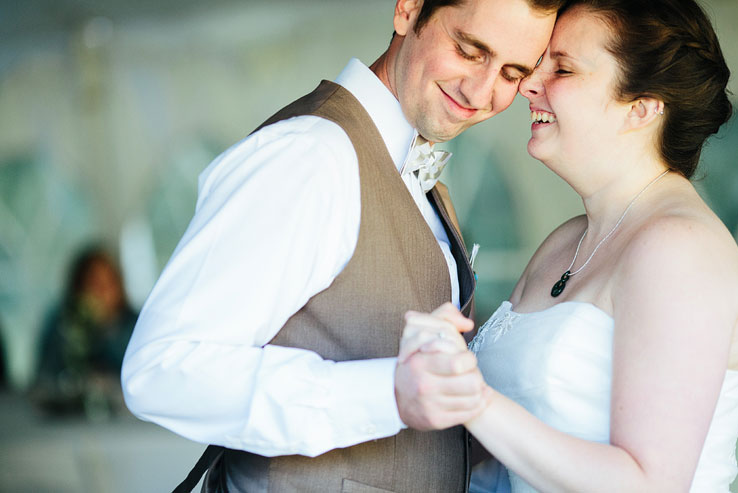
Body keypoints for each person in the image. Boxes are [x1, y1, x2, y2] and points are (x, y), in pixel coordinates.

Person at [121, 0, 563, 491]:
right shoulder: (310, 155)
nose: (481, 92)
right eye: (469, 50)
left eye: (511, 73)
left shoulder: (423, 180)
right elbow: (161, 369)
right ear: (408, 11)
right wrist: (387, 394)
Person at [397, 0, 738, 490]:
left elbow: (652, 484)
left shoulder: (680, 248)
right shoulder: (567, 240)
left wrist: (476, 402)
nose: (529, 85)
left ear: (640, 108)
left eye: (563, 68)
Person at [33, 245, 137, 418]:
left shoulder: (134, 325)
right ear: (78, 289)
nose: (102, 293)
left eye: (108, 284)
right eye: (94, 285)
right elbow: (45, 378)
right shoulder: (62, 324)